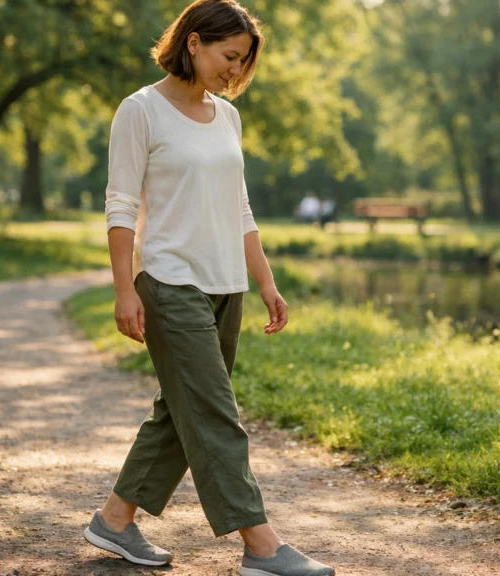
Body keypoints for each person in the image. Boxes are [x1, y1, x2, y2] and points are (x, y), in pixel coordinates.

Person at [88, 2, 335, 575]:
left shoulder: (227, 117)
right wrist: (124, 289)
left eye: (244, 62)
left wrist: (266, 280)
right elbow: (121, 204)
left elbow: (239, 205)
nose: (235, 71)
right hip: (169, 281)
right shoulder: (140, 110)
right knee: (216, 412)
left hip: (226, 285)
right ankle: (261, 546)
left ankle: (115, 520)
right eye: (230, 57)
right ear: (194, 42)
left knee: (183, 410)